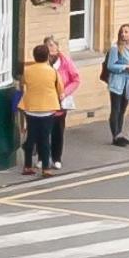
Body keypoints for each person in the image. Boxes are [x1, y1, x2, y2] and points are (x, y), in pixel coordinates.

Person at [19, 43, 64, 177]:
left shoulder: (28, 70)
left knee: (31, 137)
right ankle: (46, 168)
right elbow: (60, 89)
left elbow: (23, 84)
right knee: (44, 139)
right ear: (47, 57)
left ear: (34, 56)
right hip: (47, 109)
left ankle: (27, 166)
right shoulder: (53, 71)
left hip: (31, 108)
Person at [44, 35, 80, 169]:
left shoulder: (65, 62)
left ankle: (56, 157)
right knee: (44, 130)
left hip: (61, 100)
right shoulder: (42, 62)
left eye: (52, 45)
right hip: (45, 101)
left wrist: (65, 92)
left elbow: (76, 80)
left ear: (58, 47)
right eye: (47, 46)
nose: (50, 48)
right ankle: (43, 157)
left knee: (58, 131)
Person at [105, 24, 129, 146]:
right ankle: (115, 136)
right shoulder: (115, 48)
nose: (123, 34)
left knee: (122, 110)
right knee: (115, 109)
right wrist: (125, 67)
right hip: (117, 82)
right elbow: (110, 66)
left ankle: (120, 133)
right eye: (122, 32)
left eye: (126, 32)